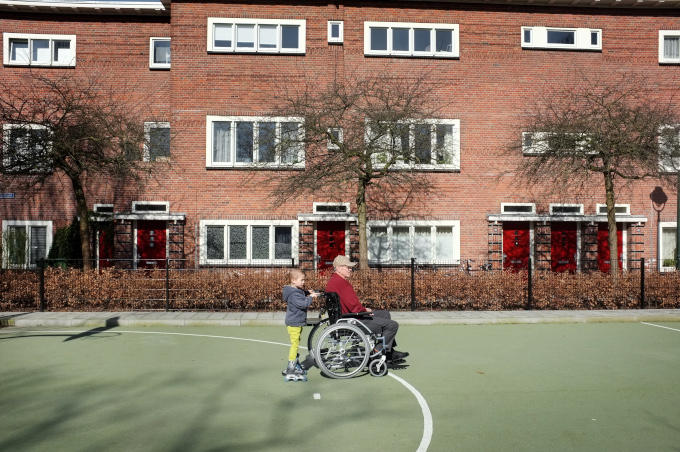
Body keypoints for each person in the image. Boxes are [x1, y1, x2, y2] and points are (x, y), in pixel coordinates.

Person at [325, 255, 408, 363]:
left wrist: (363, 310)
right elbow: (353, 306)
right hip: (353, 321)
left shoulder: (334, 281)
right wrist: (364, 311)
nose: (350, 270)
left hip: (344, 318)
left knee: (385, 314)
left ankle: (388, 352)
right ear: (339, 268)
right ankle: (377, 352)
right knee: (392, 325)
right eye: (348, 267)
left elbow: (350, 304)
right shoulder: (342, 283)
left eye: (351, 267)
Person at [282, 269, 320, 381]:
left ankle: (294, 363)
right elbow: (303, 304)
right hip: (294, 323)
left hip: (295, 322)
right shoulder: (294, 294)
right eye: (302, 280)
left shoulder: (294, 290)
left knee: (296, 342)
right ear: (293, 280)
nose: (304, 282)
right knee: (295, 344)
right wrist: (311, 297)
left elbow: (301, 293)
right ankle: (291, 367)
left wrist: (307, 292)